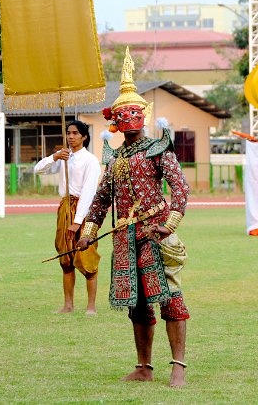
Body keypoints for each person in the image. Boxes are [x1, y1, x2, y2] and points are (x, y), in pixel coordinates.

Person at [77, 50, 191, 387]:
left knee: (170, 297)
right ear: (113, 117)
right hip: (125, 239)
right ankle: (143, 367)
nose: (127, 118)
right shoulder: (114, 158)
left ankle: (178, 366)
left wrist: (168, 224)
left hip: (156, 235)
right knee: (137, 304)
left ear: (142, 114)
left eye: (132, 112)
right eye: (121, 113)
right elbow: (100, 200)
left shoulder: (158, 148)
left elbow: (180, 189)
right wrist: (88, 231)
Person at [34, 120, 101, 314]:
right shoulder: (64, 157)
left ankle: (91, 306)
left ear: (84, 137)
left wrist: (77, 221)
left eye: (75, 133)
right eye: (68, 133)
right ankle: (68, 305)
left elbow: (89, 193)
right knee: (65, 259)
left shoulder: (90, 160)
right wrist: (54, 157)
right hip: (64, 207)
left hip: (83, 211)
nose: (70, 137)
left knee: (87, 257)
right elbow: (38, 169)